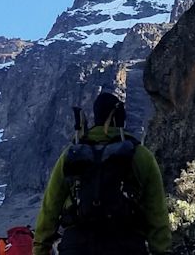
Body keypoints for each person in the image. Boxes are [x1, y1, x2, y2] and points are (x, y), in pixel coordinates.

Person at [33, 93, 171, 255]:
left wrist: (40, 248)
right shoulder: (141, 155)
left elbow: (50, 208)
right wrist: (161, 250)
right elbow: (157, 211)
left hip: (77, 246)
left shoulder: (71, 154)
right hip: (126, 245)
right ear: (120, 117)